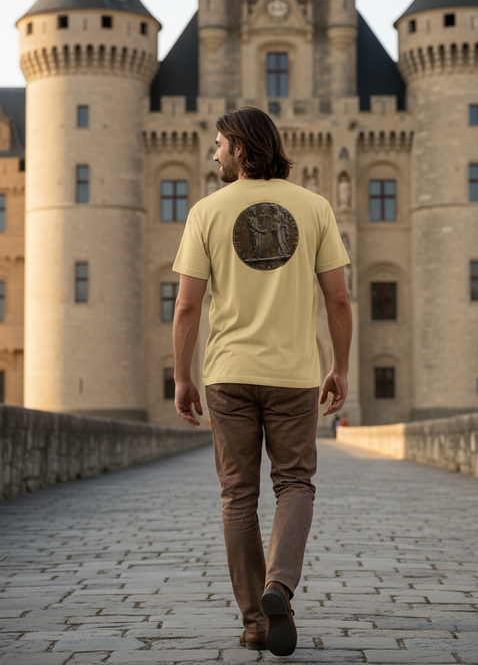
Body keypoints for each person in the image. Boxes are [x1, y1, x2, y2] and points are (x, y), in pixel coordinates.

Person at [172, 106, 352, 658]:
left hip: (228, 374)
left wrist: (182, 376)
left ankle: (255, 621)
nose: (214, 155)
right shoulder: (314, 206)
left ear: (241, 149)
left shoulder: (206, 211)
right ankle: (280, 585)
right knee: (295, 483)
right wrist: (340, 367)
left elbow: (186, 306)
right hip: (293, 374)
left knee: (238, 496)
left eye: (220, 145)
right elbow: (339, 299)